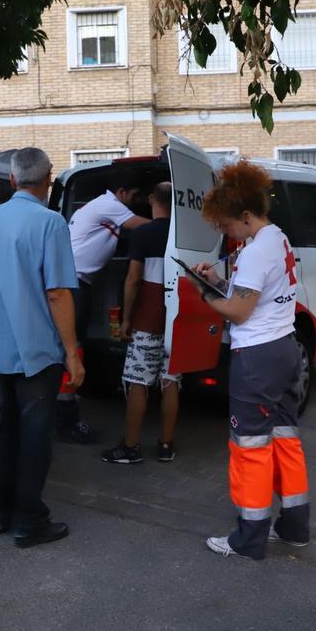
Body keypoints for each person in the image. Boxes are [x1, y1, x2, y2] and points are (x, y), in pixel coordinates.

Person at [187, 160, 310, 560]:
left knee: (250, 446)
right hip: (285, 348)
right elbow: (255, 295)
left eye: (225, 226)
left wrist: (203, 293)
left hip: (257, 355)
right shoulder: (277, 238)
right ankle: (293, 526)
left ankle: (248, 537)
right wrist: (221, 282)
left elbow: (239, 313)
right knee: (285, 440)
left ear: (244, 216)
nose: (225, 234)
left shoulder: (257, 251)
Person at [0, 147, 84, 548]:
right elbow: (58, 293)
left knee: (7, 430)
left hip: (2, 347)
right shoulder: (51, 223)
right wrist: (71, 352)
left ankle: (0, 510)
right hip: (39, 352)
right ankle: (30, 519)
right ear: (48, 180)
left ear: (14, 180)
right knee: (35, 435)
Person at [58, 176, 150, 442]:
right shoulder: (109, 204)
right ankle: (66, 418)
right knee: (72, 348)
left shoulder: (102, 206)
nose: (135, 205)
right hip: (73, 284)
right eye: (133, 197)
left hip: (75, 282)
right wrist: (168, 223)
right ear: (121, 191)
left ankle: (63, 412)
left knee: (72, 346)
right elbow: (140, 226)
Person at [101, 182, 180, 464]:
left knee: (137, 382)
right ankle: (166, 445)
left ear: (150, 199)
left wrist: (126, 319)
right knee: (170, 381)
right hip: (178, 321)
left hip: (148, 319)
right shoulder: (182, 235)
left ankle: (131, 447)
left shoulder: (144, 233)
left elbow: (134, 279)